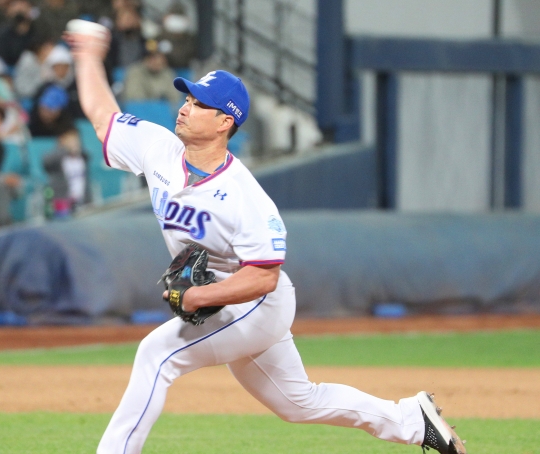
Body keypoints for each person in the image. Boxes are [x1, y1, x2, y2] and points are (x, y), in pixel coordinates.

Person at [67, 24, 467, 454]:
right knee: (299, 402)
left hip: (255, 304)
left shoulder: (245, 196)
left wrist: (200, 298)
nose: (184, 108)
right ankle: (412, 420)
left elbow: (264, 278)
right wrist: (88, 55)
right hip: (230, 301)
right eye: (186, 98)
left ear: (225, 121)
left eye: (198, 104)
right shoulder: (157, 149)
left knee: (156, 355)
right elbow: (102, 116)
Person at [42, 126, 91, 211]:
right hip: (63, 204)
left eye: (76, 139)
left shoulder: (82, 157)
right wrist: (64, 149)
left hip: (82, 202)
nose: (74, 142)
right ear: (62, 141)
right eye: (70, 140)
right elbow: (46, 163)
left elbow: (87, 155)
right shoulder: (57, 159)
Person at [123, 40, 181, 105]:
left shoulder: (168, 73)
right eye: (152, 57)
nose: (157, 61)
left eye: (159, 56)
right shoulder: (134, 72)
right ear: (145, 58)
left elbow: (176, 98)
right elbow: (134, 99)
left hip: (164, 113)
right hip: (141, 113)